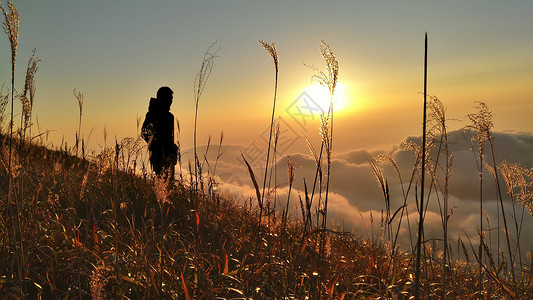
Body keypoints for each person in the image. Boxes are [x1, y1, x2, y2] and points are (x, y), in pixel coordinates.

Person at [141, 86, 178, 179]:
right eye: (169, 98)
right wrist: (155, 145)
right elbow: (144, 132)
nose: (171, 101)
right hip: (159, 155)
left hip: (169, 155)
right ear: (163, 98)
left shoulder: (170, 116)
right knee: (162, 181)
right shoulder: (153, 114)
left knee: (168, 183)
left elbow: (170, 136)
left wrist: (172, 148)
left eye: (171, 99)